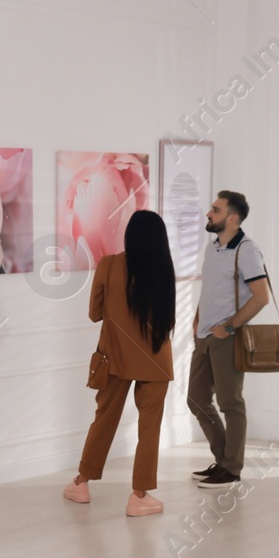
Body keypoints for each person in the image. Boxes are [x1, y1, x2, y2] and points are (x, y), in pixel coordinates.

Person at [65, 209, 176, 515]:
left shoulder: (110, 264)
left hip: (115, 358)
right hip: (156, 360)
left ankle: (82, 483)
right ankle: (139, 496)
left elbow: (95, 313)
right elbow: (169, 320)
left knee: (105, 420)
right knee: (150, 428)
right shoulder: (164, 269)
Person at [187, 190, 271, 489]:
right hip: (204, 336)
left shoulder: (246, 250)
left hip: (226, 338)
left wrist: (229, 327)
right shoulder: (213, 247)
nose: (209, 214)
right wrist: (198, 316)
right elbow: (211, 288)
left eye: (216, 209)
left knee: (230, 403)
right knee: (196, 400)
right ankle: (223, 461)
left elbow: (261, 297)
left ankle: (231, 469)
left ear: (232, 218)